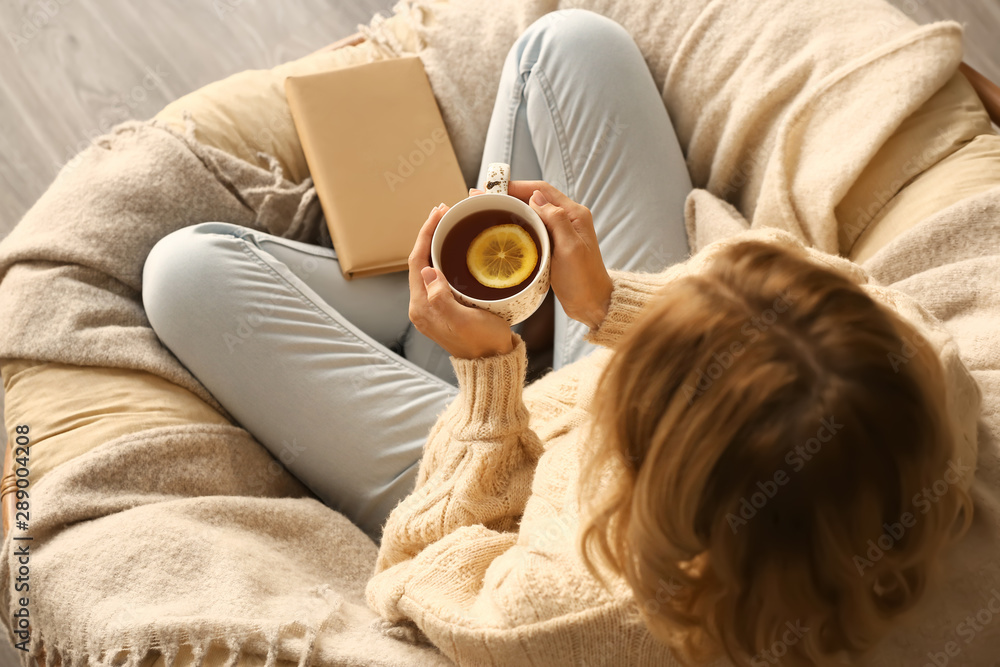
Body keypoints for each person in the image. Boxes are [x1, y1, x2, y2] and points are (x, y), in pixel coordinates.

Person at [141, 9, 973, 666]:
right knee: (564, 43)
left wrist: (488, 378)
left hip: (497, 469)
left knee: (185, 272)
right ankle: (455, 299)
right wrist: (608, 302)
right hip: (648, 406)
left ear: (638, 453)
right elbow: (796, 306)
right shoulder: (913, 367)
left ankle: (435, 314)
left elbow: (418, 563)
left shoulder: (570, 607)